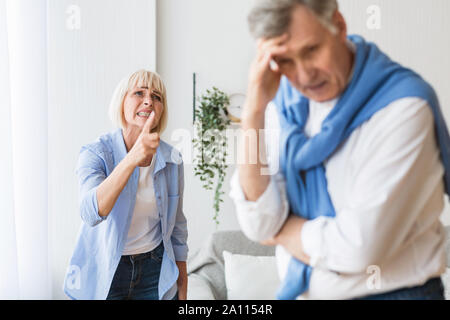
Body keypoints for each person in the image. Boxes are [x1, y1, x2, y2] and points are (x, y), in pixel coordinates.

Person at [230, 0, 450, 300]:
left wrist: (283, 233)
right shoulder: (284, 106)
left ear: (339, 25)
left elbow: (359, 248)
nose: (304, 76)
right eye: (286, 61)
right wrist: (254, 111)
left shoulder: (404, 107)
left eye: (311, 50)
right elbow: (258, 222)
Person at [64, 70, 188, 300]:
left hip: (155, 268)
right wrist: (132, 159)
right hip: (106, 270)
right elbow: (91, 213)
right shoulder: (95, 153)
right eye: (139, 93)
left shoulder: (173, 159)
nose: (149, 100)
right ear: (121, 102)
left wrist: (183, 287)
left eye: (157, 97)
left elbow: (177, 228)